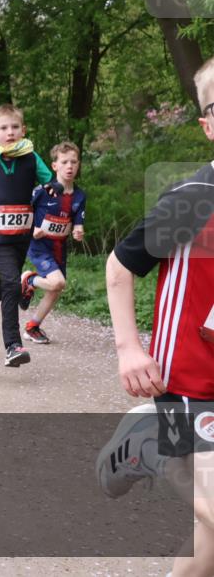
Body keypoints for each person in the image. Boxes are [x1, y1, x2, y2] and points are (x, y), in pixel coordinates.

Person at [99, 57, 214, 577]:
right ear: (208, 126)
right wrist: (129, 349)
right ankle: (149, 445)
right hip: (187, 381)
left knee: (208, 544)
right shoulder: (193, 202)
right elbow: (120, 265)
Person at [0, 104, 61, 367]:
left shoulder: (31, 158)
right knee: (11, 282)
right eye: (4, 128)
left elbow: (49, 181)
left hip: (22, 232)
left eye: (15, 127)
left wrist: (53, 188)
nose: (10, 132)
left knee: (8, 281)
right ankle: (13, 345)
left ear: (23, 130)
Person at [18, 141, 86, 344]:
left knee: (56, 289)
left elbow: (78, 223)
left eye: (73, 162)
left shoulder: (80, 195)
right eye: (64, 162)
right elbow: (23, 212)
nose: (69, 166)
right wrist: (32, 229)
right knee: (58, 282)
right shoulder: (42, 191)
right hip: (38, 246)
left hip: (59, 248)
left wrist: (78, 231)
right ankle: (29, 280)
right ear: (55, 166)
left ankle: (32, 327)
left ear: (78, 164)